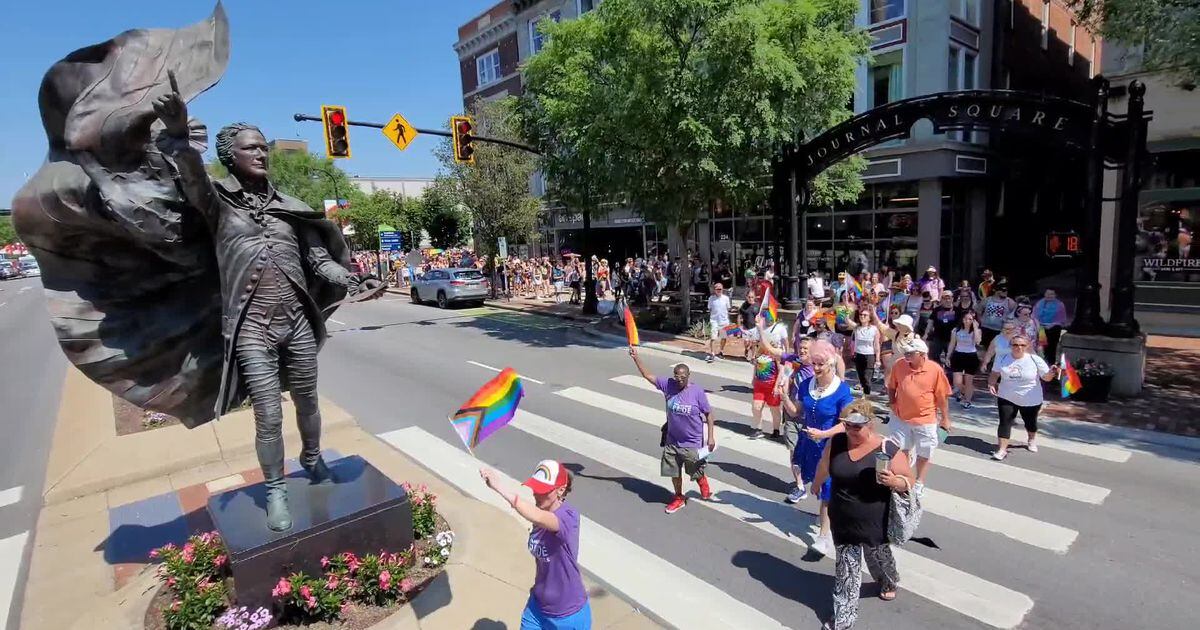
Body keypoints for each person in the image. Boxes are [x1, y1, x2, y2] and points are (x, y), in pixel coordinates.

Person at [813, 399, 914, 630]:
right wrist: (817, 484)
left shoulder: (887, 448)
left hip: (874, 520)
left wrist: (895, 481)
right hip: (843, 517)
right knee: (846, 570)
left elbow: (909, 480)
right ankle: (843, 618)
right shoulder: (837, 442)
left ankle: (888, 580)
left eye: (856, 426)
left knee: (878, 555)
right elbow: (825, 465)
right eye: (847, 425)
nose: (850, 430)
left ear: (871, 425)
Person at [480, 461, 591, 630]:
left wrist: (498, 487)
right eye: (535, 487)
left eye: (543, 490)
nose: (535, 494)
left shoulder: (568, 517)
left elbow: (538, 517)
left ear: (560, 490)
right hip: (538, 607)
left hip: (567, 615)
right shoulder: (541, 511)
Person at [781, 341, 853, 556]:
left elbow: (847, 423)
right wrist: (784, 395)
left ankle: (824, 536)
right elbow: (795, 412)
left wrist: (824, 434)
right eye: (814, 363)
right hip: (810, 445)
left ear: (831, 364)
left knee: (827, 492)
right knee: (820, 489)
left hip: (831, 446)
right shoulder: (806, 385)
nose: (817, 368)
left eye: (821, 364)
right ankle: (833, 517)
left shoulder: (841, 390)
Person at [629, 347, 715, 514]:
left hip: (691, 442)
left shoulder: (696, 391)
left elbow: (709, 414)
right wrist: (636, 357)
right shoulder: (668, 385)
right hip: (672, 440)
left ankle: (702, 481)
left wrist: (710, 437)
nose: (679, 380)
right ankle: (678, 497)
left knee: (694, 469)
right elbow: (648, 376)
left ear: (688, 377)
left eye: (683, 378)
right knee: (673, 471)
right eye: (677, 377)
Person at [885, 337, 952, 496]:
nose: (906, 356)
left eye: (910, 353)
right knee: (901, 451)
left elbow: (942, 397)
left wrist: (945, 418)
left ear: (922, 354)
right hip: (901, 418)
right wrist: (892, 403)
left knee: (924, 453)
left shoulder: (935, 370)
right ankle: (905, 478)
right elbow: (891, 386)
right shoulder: (899, 364)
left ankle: (919, 481)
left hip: (925, 420)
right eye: (906, 352)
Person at [987, 335, 1060, 461]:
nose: (1018, 348)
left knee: (1030, 423)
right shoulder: (1003, 358)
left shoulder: (1035, 359)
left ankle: (1031, 439)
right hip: (1007, 396)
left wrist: (1052, 373)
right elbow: (995, 373)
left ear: (1027, 346)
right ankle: (1002, 450)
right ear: (1011, 346)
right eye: (1015, 345)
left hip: (1030, 398)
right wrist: (991, 383)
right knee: (1005, 422)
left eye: (1022, 345)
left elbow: (1046, 377)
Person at [751, 314, 790, 441]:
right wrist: (753, 378)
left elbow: (781, 370)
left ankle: (776, 429)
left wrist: (777, 385)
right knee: (756, 407)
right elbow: (756, 366)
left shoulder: (776, 355)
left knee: (774, 409)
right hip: (759, 385)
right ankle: (758, 429)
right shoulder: (759, 354)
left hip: (771, 384)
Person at [946, 310, 983, 409]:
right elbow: (952, 344)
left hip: (971, 356)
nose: (967, 321)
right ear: (962, 319)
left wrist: (975, 328)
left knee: (968, 380)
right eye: (965, 319)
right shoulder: (956, 330)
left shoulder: (977, 331)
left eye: (970, 319)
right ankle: (964, 392)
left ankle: (967, 400)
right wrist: (948, 356)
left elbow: (978, 341)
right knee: (957, 382)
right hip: (958, 355)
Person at [845, 309, 881, 396]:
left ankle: (866, 395)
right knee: (861, 377)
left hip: (869, 355)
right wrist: (847, 307)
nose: (862, 316)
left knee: (867, 378)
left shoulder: (874, 329)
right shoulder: (857, 327)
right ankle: (864, 394)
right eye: (861, 314)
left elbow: (876, 345)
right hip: (858, 354)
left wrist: (877, 359)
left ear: (869, 318)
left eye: (865, 315)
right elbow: (847, 320)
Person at [1033, 288, 1069, 361]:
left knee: (1051, 348)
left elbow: (1062, 319)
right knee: (1042, 347)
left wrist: (1052, 325)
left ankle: (1051, 365)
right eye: (1047, 293)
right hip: (1041, 328)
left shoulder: (1060, 305)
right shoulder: (1039, 303)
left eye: (1051, 294)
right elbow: (1034, 316)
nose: (1049, 296)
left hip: (1054, 328)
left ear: (1055, 295)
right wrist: (1039, 324)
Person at [923, 291, 957, 364]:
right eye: (944, 298)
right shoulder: (936, 310)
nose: (947, 300)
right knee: (933, 359)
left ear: (952, 299)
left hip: (951, 340)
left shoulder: (957, 310)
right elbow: (930, 322)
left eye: (949, 298)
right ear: (941, 299)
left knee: (951, 359)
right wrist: (926, 334)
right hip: (937, 338)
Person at [979, 283, 1016, 349]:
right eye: (1003, 290)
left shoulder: (1009, 302)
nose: (1005, 292)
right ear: (995, 290)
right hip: (985, 329)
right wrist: (980, 320)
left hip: (1000, 330)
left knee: (997, 348)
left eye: (1007, 290)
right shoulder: (987, 300)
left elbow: (1016, 314)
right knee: (984, 348)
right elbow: (978, 310)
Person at [706, 282, 732, 362]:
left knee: (723, 338)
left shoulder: (726, 298)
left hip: (724, 321)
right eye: (717, 289)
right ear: (715, 290)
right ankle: (713, 353)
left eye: (720, 289)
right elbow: (709, 308)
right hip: (714, 321)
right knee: (713, 337)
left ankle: (721, 351)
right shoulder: (711, 298)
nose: (719, 290)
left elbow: (728, 309)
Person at [738, 288, 760, 361]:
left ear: (754, 297)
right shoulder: (744, 305)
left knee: (754, 343)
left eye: (752, 297)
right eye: (749, 297)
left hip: (754, 327)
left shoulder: (757, 306)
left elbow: (760, 316)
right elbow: (739, 316)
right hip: (745, 327)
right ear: (746, 297)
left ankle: (753, 357)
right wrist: (739, 327)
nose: (750, 299)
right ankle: (747, 349)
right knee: (747, 343)